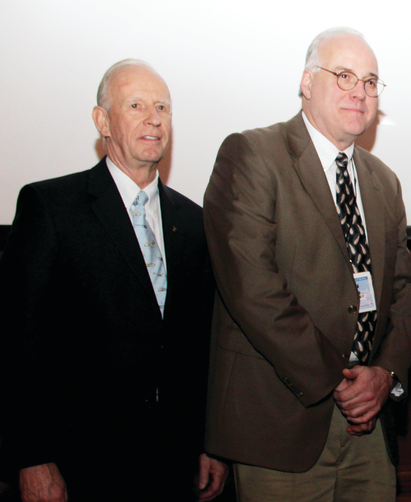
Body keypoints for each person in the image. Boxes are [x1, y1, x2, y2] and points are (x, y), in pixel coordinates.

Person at [202, 27, 411, 502]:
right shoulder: (253, 154)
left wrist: (385, 374)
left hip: (370, 424)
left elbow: (402, 292)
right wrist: (339, 381)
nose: (359, 92)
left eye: (370, 81)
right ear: (306, 82)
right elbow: (251, 288)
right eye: (344, 76)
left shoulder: (385, 181)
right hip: (280, 420)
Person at [0, 59, 227, 502]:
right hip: (78, 466)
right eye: (136, 105)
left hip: (172, 465)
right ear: (102, 121)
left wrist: (208, 444)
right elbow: (15, 338)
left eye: (162, 107)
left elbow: (198, 346)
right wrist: (31, 457)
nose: (153, 118)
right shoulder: (52, 207)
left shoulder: (194, 222)